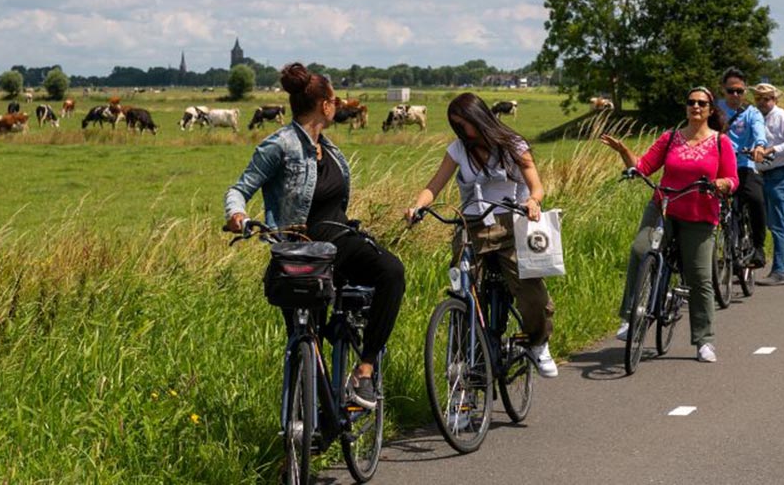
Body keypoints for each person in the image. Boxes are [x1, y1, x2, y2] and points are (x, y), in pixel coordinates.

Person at [225, 63, 406, 409]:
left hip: (340, 242)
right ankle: (306, 433)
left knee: (391, 272)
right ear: (325, 106)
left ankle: (364, 371)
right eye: (334, 100)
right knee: (303, 341)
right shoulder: (279, 145)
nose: (337, 106)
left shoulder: (331, 148)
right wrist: (238, 215)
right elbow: (239, 188)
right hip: (299, 253)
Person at [405, 93, 557, 377]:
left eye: (464, 123)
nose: (462, 131)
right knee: (463, 293)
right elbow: (434, 186)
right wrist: (417, 206)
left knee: (532, 291)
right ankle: (464, 366)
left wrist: (533, 202)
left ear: (479, 117)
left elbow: (536, 186)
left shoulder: (513, 145)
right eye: (456, 125)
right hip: (471, 227)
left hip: (512, 225)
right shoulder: (458, 150)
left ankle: (538, 342)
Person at [601, 86, 738, 363]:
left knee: (700, 277)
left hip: (699, 215)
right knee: (641, 251)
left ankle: (704, 340)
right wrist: (624, 153)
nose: (695, 107)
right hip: (664, 208)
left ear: (710, 110)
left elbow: (733, 179)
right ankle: (632, 317)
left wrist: (722, 183)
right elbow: (643, 167)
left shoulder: (721, 142)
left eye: (701, 103)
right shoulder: (671, 138)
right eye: (691, 102)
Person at [717, 67, 769, 269]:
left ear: (745, 91)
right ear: (723, 90)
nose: (735, 95)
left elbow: (759, 131)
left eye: (739, 91)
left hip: (744, 164)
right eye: (731, 91)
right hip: (721, 166)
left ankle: (758, 246)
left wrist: (759, 147)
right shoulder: (715, 110)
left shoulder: (751, 113)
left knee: (756, 199)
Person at [752, 83, 784, 287]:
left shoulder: (782, 116)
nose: (763, 102)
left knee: (777, 223)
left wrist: (774, 150)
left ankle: (780, 270)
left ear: (775, 99)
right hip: (765, 174)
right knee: (773, 222)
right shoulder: (757, 118)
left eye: (767, 98)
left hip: (782, 173)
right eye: (759, 99)